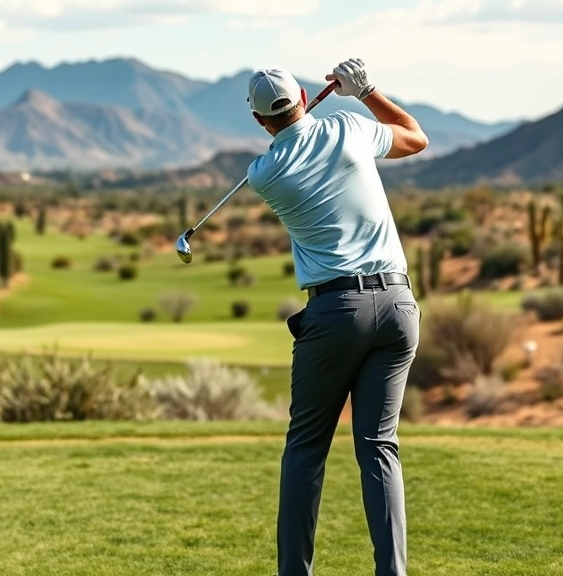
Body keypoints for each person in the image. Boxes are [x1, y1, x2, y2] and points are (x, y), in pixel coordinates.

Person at [245, 59, 429, 576]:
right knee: (379, 447)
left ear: (260, 121)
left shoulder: (263, 175)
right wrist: (365, 91)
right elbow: (415, 138)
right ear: (304, 97)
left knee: (306, 449)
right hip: (398, 307)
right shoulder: (347, 126)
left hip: (334, 313)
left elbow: (284, 141)